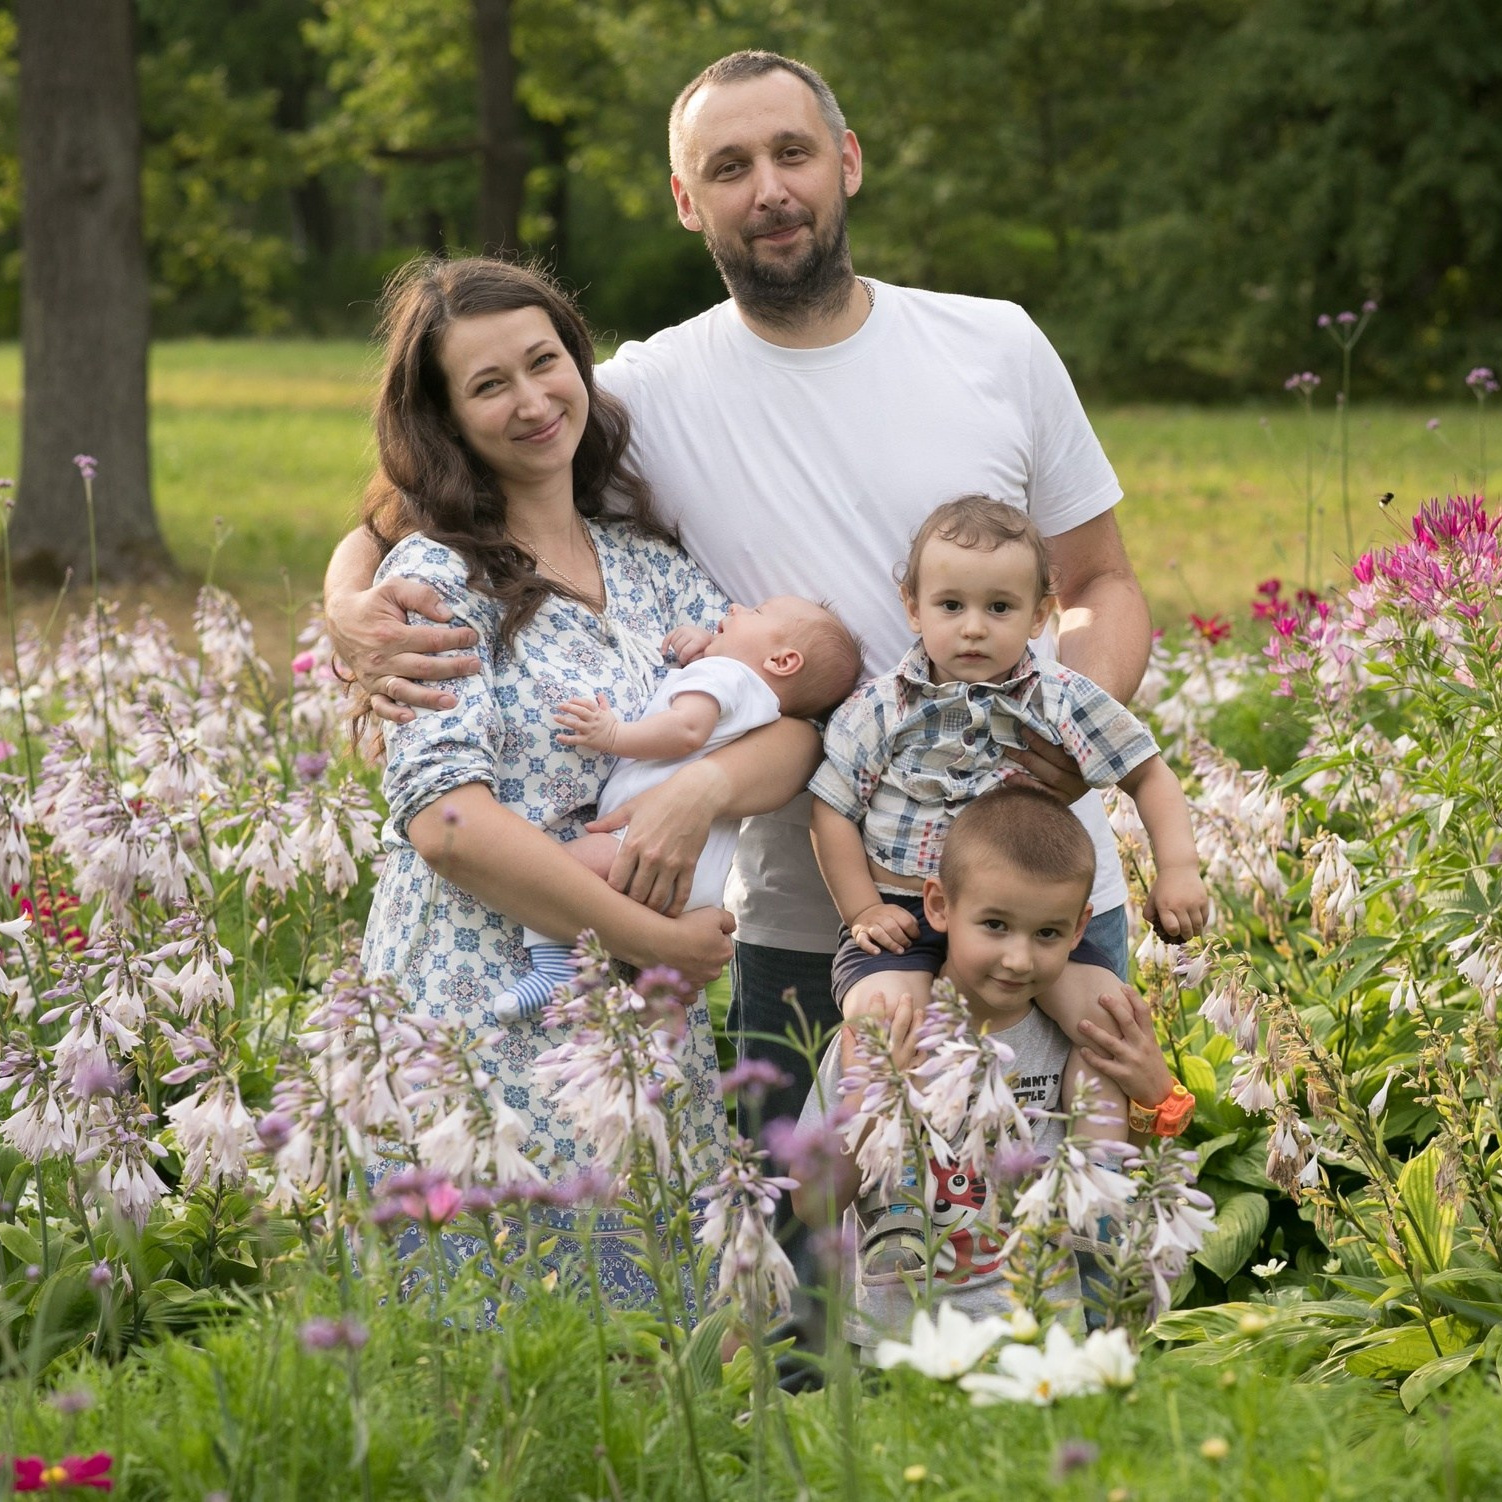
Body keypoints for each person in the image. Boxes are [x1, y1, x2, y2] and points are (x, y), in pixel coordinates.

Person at [323, 50, 1153, 1304]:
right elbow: (410, 495)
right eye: (727, 166)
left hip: (1036, 893)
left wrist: (1060, 753)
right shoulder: (633, 392)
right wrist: (347, 609)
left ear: (846, 161)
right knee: (802, 1298)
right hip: (807, 918)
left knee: (1062, 1250)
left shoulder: (994, 343)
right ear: (683, 198)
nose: (767, 188)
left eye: (791, 152)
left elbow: (1100, 583)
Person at [354, 255, 820, 1303]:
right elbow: (447, 825)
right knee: (489, 1347)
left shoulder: (653, 565)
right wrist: (651, 941)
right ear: (446, 419)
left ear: (578, 362)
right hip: (478, 1022)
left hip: (637, 1040)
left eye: (543, 361)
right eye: (488, 385)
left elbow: (791, 733)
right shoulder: (435, 577)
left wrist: (699, 790)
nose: (530, 401)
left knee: (651, 1344)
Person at [792, 786, 1190, 1354]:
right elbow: (812, 1204)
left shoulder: (1077, 1044)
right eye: (995, 925)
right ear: (938, 907)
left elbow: (1124, 1180)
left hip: (1043, 1343)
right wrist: (874, 1102)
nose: (1018, 959)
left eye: (1047, 933)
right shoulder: (884, 1036)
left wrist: (1153, 1095)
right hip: (899, 1352)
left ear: (1080, 929)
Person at [811, 496, 1209, 1054]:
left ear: (1039, 615)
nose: (974, 628)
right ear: (914, 608)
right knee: (885, 1022)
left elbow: (1149, 775)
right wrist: (863, 909)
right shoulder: (880, 709)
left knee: (1109, 1025)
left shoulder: (1060, 698)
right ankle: (893, 1115)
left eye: (1000, 607)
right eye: (951, 605)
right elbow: (831, 807)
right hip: (904, 916)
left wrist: (1179, 869)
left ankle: (1097, 1116)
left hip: (1030, 923)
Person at [498, 594, 862, 1018]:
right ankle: (656, 1024)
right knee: (654, 1002)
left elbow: (687, 729)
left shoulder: (726, 674)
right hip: (695, 879)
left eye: (757, 612)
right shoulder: (759, 704)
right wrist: (708, 643)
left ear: (783, 661)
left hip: (639, 843)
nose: (736, 609)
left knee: (556, 870)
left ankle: (556, 968)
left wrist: (612, 735)